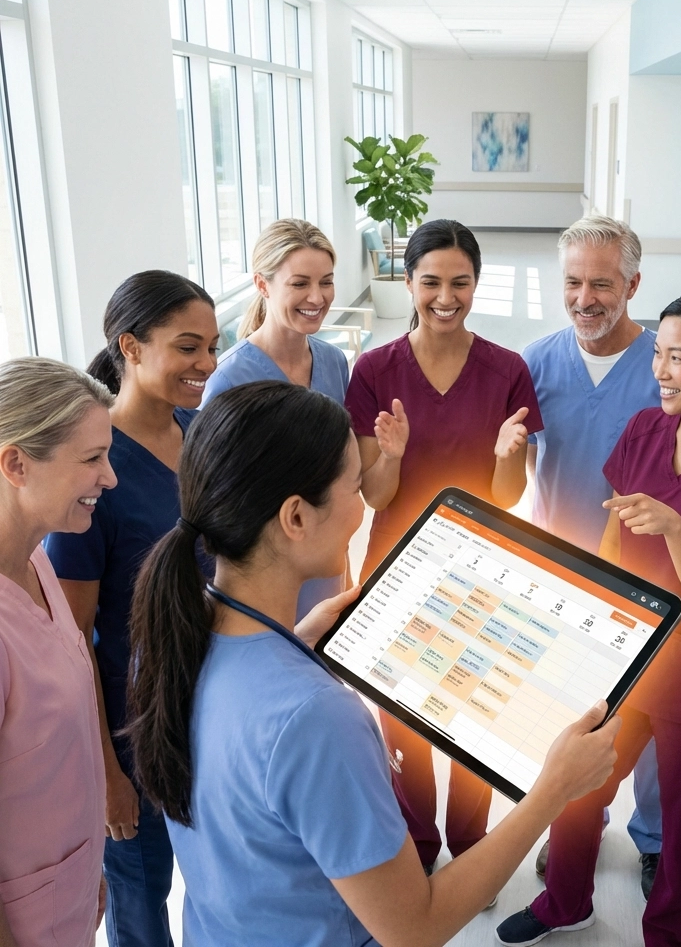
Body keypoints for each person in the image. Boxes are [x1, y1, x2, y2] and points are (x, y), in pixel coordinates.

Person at [125, 380, 619, 947]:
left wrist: (295, 647)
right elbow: (414, 927)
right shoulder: (316, 718)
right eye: (355, 486)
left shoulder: (171, 642)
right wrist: (551, 791)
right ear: (295, 517)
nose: (362, 507)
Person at [498, 288, 681, 947]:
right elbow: (613, 540)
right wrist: (592, 628)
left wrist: (676, 528)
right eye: (659, 353)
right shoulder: (644, 430)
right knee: (577, 786)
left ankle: (668, 938)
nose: (659, 370)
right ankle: (564, 901)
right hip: (625, 655)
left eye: (677, 358)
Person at [345, 218, 543, 872]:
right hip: (397, 566)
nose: (446, 297)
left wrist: (506, 457)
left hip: (481, 568)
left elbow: (507, 496)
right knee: (403, 715)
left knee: (473, 713)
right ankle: (418, 847)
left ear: (477, 284)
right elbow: (376, 496)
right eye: (431, 282)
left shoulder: (507, 370)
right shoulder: (374, 370)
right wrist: (393, 455)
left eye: (460, 282)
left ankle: (469, 844)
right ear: (408, 282)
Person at [45, 271, 219, 946]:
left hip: (210, 709)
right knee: (142, 904)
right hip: (133, 731)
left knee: (214, 881)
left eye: (213, 346)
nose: (207, 364)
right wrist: (108, 775)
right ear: (131, 346)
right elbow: (72, 640)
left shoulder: (202, 434)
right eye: (188, 347)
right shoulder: (94, 471)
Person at [521, 214, 662, 894]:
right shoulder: (535, 362)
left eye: (602, 284)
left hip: (650, 574)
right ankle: (573, 828)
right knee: (570, 713)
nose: (585, 299)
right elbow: (519, 464)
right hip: (562, 569)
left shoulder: (666, 364)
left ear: (633, 284)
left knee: (652, 716)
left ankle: (655, 838)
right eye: (573, 282)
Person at [0, 358, 116, 947]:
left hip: (64, 892)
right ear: (17, 464)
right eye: (92, 459)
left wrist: (86, 865)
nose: (110, 478)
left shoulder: (37, 560)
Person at [201, 218, 349, 620]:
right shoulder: (229, 379)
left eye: (326, 282)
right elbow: (217, 502)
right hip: (264, 575)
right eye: (300, 283)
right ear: (262, 285)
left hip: (326, 560)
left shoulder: (334, 362)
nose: (317, 297)